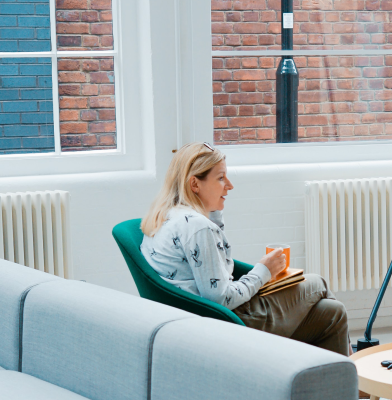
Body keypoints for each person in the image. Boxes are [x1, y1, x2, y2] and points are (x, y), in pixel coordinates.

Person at [140, 142, 349, 356]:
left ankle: (347, 382)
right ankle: (350, 370)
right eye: (221, 178)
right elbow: (220, 299)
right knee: (316, 283)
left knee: (333, 312)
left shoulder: (168, 215)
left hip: (198, 319)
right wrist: (263, 270)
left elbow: (215, 269)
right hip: (230, 322)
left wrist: (212, 211)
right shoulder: (198, 227)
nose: (229, 185)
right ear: (195, 184)